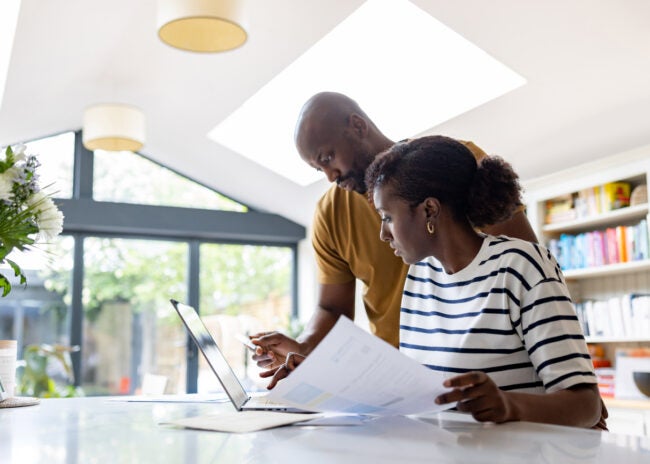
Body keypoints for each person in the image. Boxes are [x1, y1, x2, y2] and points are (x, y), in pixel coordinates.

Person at [264, 135, 606, 429]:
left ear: (429, 211)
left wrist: (508, 405)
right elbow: (414, 392)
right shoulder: (420, 279)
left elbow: (586, 406)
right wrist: (321, 376)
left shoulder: (522, 265)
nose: (383, 233)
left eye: (387, 217)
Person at [251, 92, 538, 369]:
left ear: (358, 126)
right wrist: (302, 348)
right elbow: (332, 310)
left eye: (327, 158)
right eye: (318, 169)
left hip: (483, 363)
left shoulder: (453, 165)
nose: (330, 176)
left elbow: (526, 264)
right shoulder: (329, 213)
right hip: (399, 377)